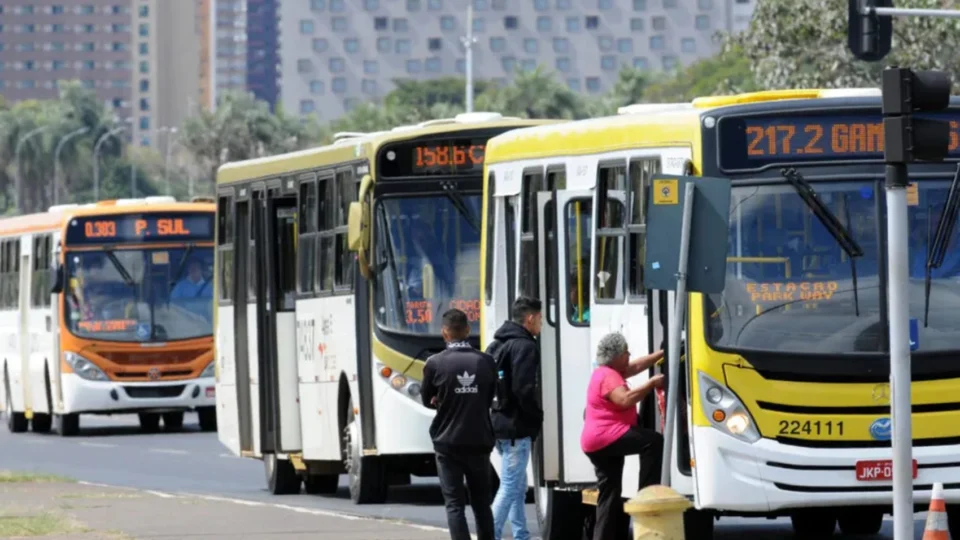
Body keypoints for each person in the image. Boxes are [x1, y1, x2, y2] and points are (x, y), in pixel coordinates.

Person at [421, 308, 497, 540]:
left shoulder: (434, 363)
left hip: (447, 444)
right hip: (479, 441)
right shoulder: (486, 361)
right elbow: (490, 396)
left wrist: (441, 400)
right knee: (482, 504)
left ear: (445, 333)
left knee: (454, 505)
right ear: (467, 330)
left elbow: (427, 399)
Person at [581, 332, 665, 540]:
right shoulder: (608, 376)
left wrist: (661, 354)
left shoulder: (608, 371)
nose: (629, 355)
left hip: (596, 442)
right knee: (653, 442)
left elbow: (635, 367)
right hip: (607, 437)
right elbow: (624, 400)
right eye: (626, 352)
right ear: (616, 356)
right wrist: (651, 384)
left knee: (609, 495)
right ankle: (646, 496)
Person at [487, 296, 543, 540]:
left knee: (519, 486)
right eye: (540, 319)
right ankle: (490, 534)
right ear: (529, 318)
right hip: (516, 427)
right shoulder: (525, 346)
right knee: (510, 487)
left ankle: (521, 535)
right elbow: (524, 389)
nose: (541, 324)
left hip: (498, 422)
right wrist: (537, 416)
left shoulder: (496, 344)